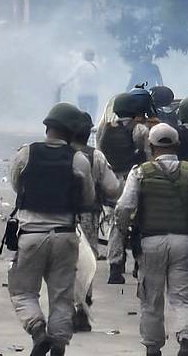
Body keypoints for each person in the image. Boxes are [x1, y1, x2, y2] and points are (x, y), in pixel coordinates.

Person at [115, 123, 188, 356]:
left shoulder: (139, 173)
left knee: (150, 298)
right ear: (177, 145)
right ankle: (185, 339)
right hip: (184, 243)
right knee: (183, 297)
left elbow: (124, 207)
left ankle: (153, 348)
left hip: (150, 242)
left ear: (151, 147)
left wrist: (124, 232)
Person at [8, 103, 95, 356]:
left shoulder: (26, 153)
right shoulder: (78, 159)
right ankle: (58, 346)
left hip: (31, 234)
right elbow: (88, 197)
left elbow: (16, 185)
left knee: (23, 291)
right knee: (62, 296)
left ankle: (38, 331)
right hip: (66, 235)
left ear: (47, 126)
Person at [70, 110, 121, 332]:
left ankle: (63, 309)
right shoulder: (95, 156)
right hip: (87, 217)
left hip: (55, 217)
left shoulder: (57, 153)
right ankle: (82, 307)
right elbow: (112, 188)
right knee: (86, 262)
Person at [98, 91, 151, 284]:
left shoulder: (105, 128)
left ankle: (115, 267)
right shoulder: (140, 130)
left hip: (112, 181)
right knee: (140, 224)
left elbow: (100, 153)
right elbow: (148, 156)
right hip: (134, 180)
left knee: (116, 225)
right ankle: (139, 265)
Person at [60, 50, 100, 117]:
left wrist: (63, 83)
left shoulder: (82, 65)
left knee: (84, 112)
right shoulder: (94, 66)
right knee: (90, 112)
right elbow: (72, 76)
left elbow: (72, 76)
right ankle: (90, 125)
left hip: (85, 93)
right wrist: (64, 83)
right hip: (90, 93)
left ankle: (86, 125)